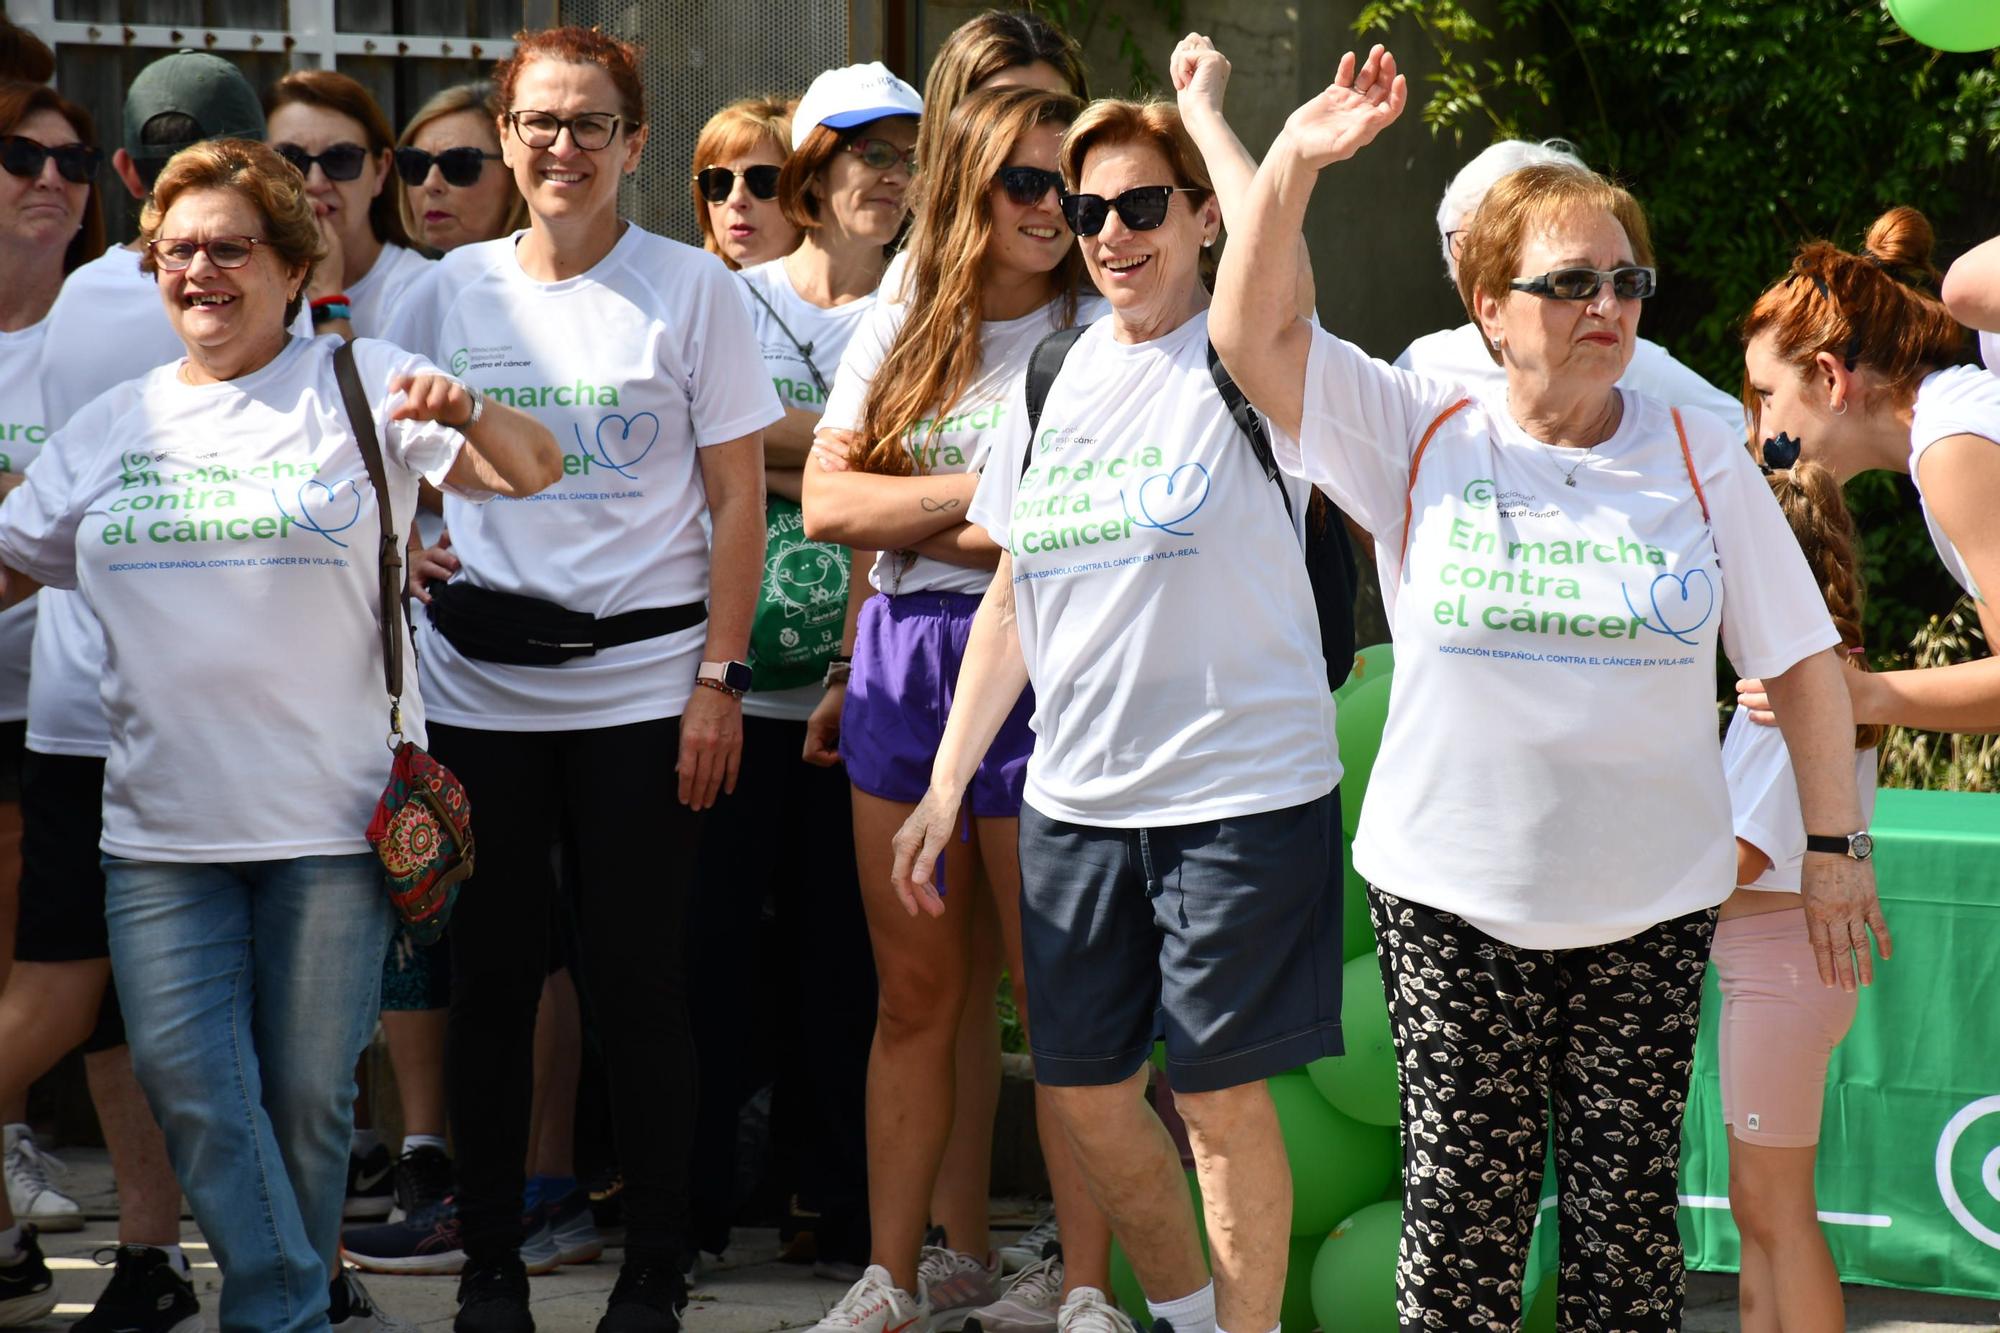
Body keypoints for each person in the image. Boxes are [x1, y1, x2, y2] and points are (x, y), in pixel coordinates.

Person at [1209, 44, 1887, 1330]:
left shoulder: (1692, 442)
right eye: (1569, 283)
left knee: (1624, 1241)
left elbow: (1798, 662)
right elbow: (1249, 335)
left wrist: (1833, 847)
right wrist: (1289, 159)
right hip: (1455, 899)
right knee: (1462, 1224)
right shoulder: (1408, 420)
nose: (1606, 307)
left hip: (1646, 908)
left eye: (1625, 280)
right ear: (1487, 304)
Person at [0, 135, 559, 1332]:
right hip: (157, 829)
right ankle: (293, 1307)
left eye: (229, 248)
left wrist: (473, 409)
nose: (198, 271)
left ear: (294, 266)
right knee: (191, 1084)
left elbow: (529, 471)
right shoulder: (116, 421)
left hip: (328, 826)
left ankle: (275, 1314)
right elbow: (15, 557)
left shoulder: (360, 382)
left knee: (306, 1097)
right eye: (175, 251)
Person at [888, 36, 1334, 1333]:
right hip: (1078, 802)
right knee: (1084, 1095)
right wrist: (945, 785)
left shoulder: (1250, 355)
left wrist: (1204, 110)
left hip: (1242, 790)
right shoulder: (1055, 373)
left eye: (1145, 204)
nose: (1112, 233)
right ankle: (1187, 1317)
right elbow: (1016, 596)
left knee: (1213, 1094)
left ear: (1199, 216)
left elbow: (1279, 251)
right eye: (1089, 211)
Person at [384, 25, 781, 1333]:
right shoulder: (437, 295)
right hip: (482, 688)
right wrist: (416, 552)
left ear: (634, 144)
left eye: (591, 124)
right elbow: (399, 479)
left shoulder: (693, 290)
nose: (563, 146)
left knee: (637, 981)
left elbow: (737, 502)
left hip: (645, 690)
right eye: (540, 123)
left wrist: (718, 678)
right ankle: (489, 1267)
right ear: (504, 138)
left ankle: (655, 1270)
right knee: (489, 983)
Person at [798, 81, 1108, 1333]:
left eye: (1072, 190)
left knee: (1058, 999)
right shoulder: (909, 310)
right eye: (1026, 183)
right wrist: (980, 497)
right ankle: (895, 1274)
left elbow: (1075, 537)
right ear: (973, 185)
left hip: (1051, 660)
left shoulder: (1105, 322)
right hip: (899, 659)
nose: (1055, 211)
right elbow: (825, 507)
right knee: (916, 995)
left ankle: (1083, 1284)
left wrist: (917, 497)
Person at [5, 56, 306, 1333]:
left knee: (117, 1011)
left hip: (90, 706)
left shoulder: (82, 298)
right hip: (209, 721)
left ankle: (152, 1256)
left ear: (119, 173)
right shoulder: (264, 295)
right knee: (173, 1018)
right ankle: (244, 1263)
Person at [686, 59, 920, 1276]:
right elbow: (704, 443)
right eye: (858, 158)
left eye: (903, 159)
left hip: (867, 685)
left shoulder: (935, 305)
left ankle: (837, 1203)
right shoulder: (727, 297)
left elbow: (884, 470)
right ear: (812, 175)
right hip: (726, 690)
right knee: (712, 949)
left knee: (848, 959)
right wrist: (838, 476)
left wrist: (805, 473)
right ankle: (698, 1200)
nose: (884, 180)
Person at [1715, 459, 1880, 1333]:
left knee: (1777, 1211)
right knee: (1758, 1209)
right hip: (1771, 967)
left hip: (1781, 967)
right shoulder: (1792, 678)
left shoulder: (1799, 687)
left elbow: (1744, 852)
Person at [1736, 210, 2000, 737]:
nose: (1757, 435)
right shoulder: (1952, 433)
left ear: (1832, 376)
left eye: (1766, 396)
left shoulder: (1950, 443)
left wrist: (1854, 694)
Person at [1395, 138, 1743, 422]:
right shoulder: (1424, 365)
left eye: (1576, 279)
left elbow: (1753, 443)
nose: (1606, 306)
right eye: (1467, 242)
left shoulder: (1632, 363)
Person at [266, 69, 432, 336]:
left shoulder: (424, 289)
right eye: (290, 160)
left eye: (341, 159)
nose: (315, 182)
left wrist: (328, 302)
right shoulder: (248, 283)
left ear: (380, 171)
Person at [396, 81, 528, 254]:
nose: (430, 184)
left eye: (458, 165)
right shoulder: (398, 280)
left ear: (514, 178)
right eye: (416, 164)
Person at [691, 96, 798, 270]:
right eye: (719, 182)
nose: (736, 199)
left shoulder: (851, 296)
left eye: (762, 180)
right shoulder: (688, 294)